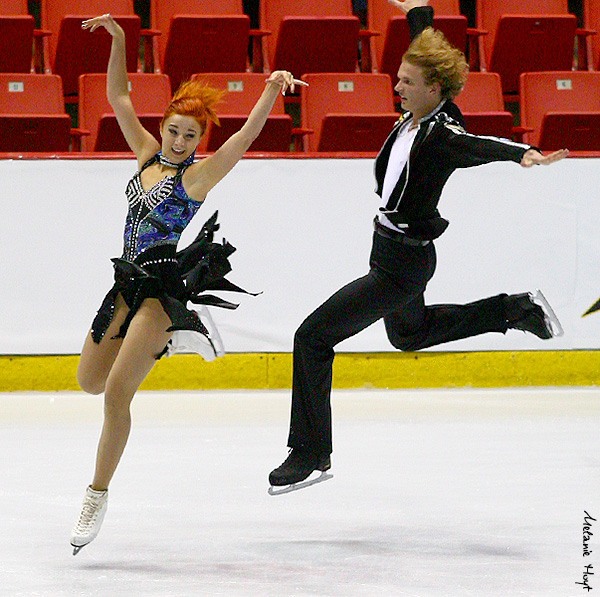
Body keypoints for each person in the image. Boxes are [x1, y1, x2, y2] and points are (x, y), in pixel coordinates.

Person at [268, 0, 568, 493]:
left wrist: (523, 154)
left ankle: (309, 453)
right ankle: (514, 310)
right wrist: (419, 13)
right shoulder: (420, 113)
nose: (397, 86)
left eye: (407, 82)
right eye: (399, 78)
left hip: (400, 266)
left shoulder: (443, 133)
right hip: (390, 251)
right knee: (409, 335)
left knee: (313, 337)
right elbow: (429, 55)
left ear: (433, 89)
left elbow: (478, 145)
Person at [70, 13, 306, 554]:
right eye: (174, 129)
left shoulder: (194, 177)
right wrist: (120, 39)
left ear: (200, 139)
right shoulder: (147, 153)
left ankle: (96, 493)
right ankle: (171, 345)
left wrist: (271, 88)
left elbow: (244, 139)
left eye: (190, 135)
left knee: (113, 395)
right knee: (87, 380)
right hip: (123, 286)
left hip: (160, 291)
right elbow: (119, 97)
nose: (178, 141)